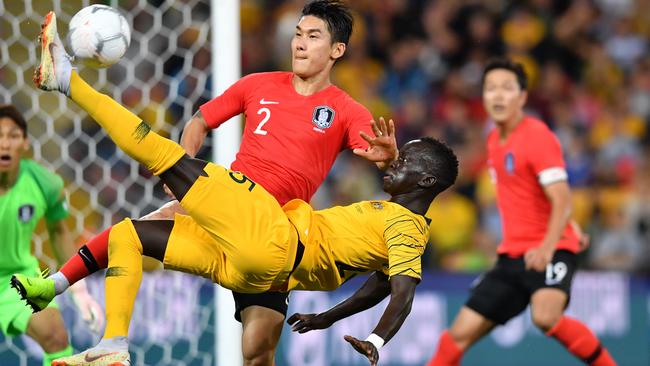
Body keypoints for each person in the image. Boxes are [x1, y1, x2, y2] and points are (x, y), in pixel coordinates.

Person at [23, 14, 459, 364]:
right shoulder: (257, 84)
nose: (300, 43)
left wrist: (387, 153)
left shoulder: (346, 109)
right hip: (241, 210)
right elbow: (200, 121)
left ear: (337, 50)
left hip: (271, 226)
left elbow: (381, 156)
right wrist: (185, 170)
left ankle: (67, 81)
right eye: (297, 34)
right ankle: (106, 335)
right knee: (130, 232)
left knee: (257, 349)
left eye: (313, 36)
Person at [423, 59, 616, 365]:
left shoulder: (537, 136)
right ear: (483, 97)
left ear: (522, 97)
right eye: (491, 89)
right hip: (513, 257)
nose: (498, 96)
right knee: (457, 334)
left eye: (507, 88)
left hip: (550, 250)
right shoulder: (493, 141)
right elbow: (529, 194)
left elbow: (562, 197)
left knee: (546, 316)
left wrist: (550, 245)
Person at [0, 104, 104, 366]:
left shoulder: (45, 184)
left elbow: (59, 233)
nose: (4, 144)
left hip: (15, 279)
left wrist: (79, 291)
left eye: (13, 136)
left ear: (25, 143)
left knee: (56, 337)